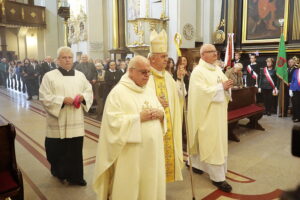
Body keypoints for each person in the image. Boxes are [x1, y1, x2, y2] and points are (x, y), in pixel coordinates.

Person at [93, 55, 166, 200]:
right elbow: (113, 123)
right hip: (131, 154)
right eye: (143, 72)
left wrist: (161, 114)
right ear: (131, 71)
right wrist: (138, 118)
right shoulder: (118, 93)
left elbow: (159, 109)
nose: (147, 76)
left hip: (153, 150)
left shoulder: (148, 90)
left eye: (149, 72)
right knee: (131, 187)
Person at [39, 46, 93, 186]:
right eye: (64, 57)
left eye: (70, 57)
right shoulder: (49, 76)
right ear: (58, 60)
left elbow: (89, 91)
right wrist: (61, 100)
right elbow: (44, 97)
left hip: (75, 120)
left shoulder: (80, 75)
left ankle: (76, 178)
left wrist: (83, 96)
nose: (67, 60)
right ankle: (59, 172)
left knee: (75, 151)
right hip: (57, 121)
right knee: (55, 151)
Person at [187, 44, 233, 193]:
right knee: (211, 143)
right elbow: (201, 93)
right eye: (211, 52)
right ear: (203, 55)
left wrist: (227, 87)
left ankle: (197, 165)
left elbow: (225, 84)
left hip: (218, 113)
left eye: (215, 51)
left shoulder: (217, 69)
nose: (215, 54)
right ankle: (218, 178)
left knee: (213, 142)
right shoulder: (198, 72)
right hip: (206, 114)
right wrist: (221, 87)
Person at [147, 29, 184, 182]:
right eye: (163, 56)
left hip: (168, 127)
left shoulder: (168, 76)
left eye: (167, 56)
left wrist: (180, 81)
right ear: (152, 59)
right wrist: (155, 102)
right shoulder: (144, 76)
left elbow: (179, 97)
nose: (166, 60)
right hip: (151, 129)